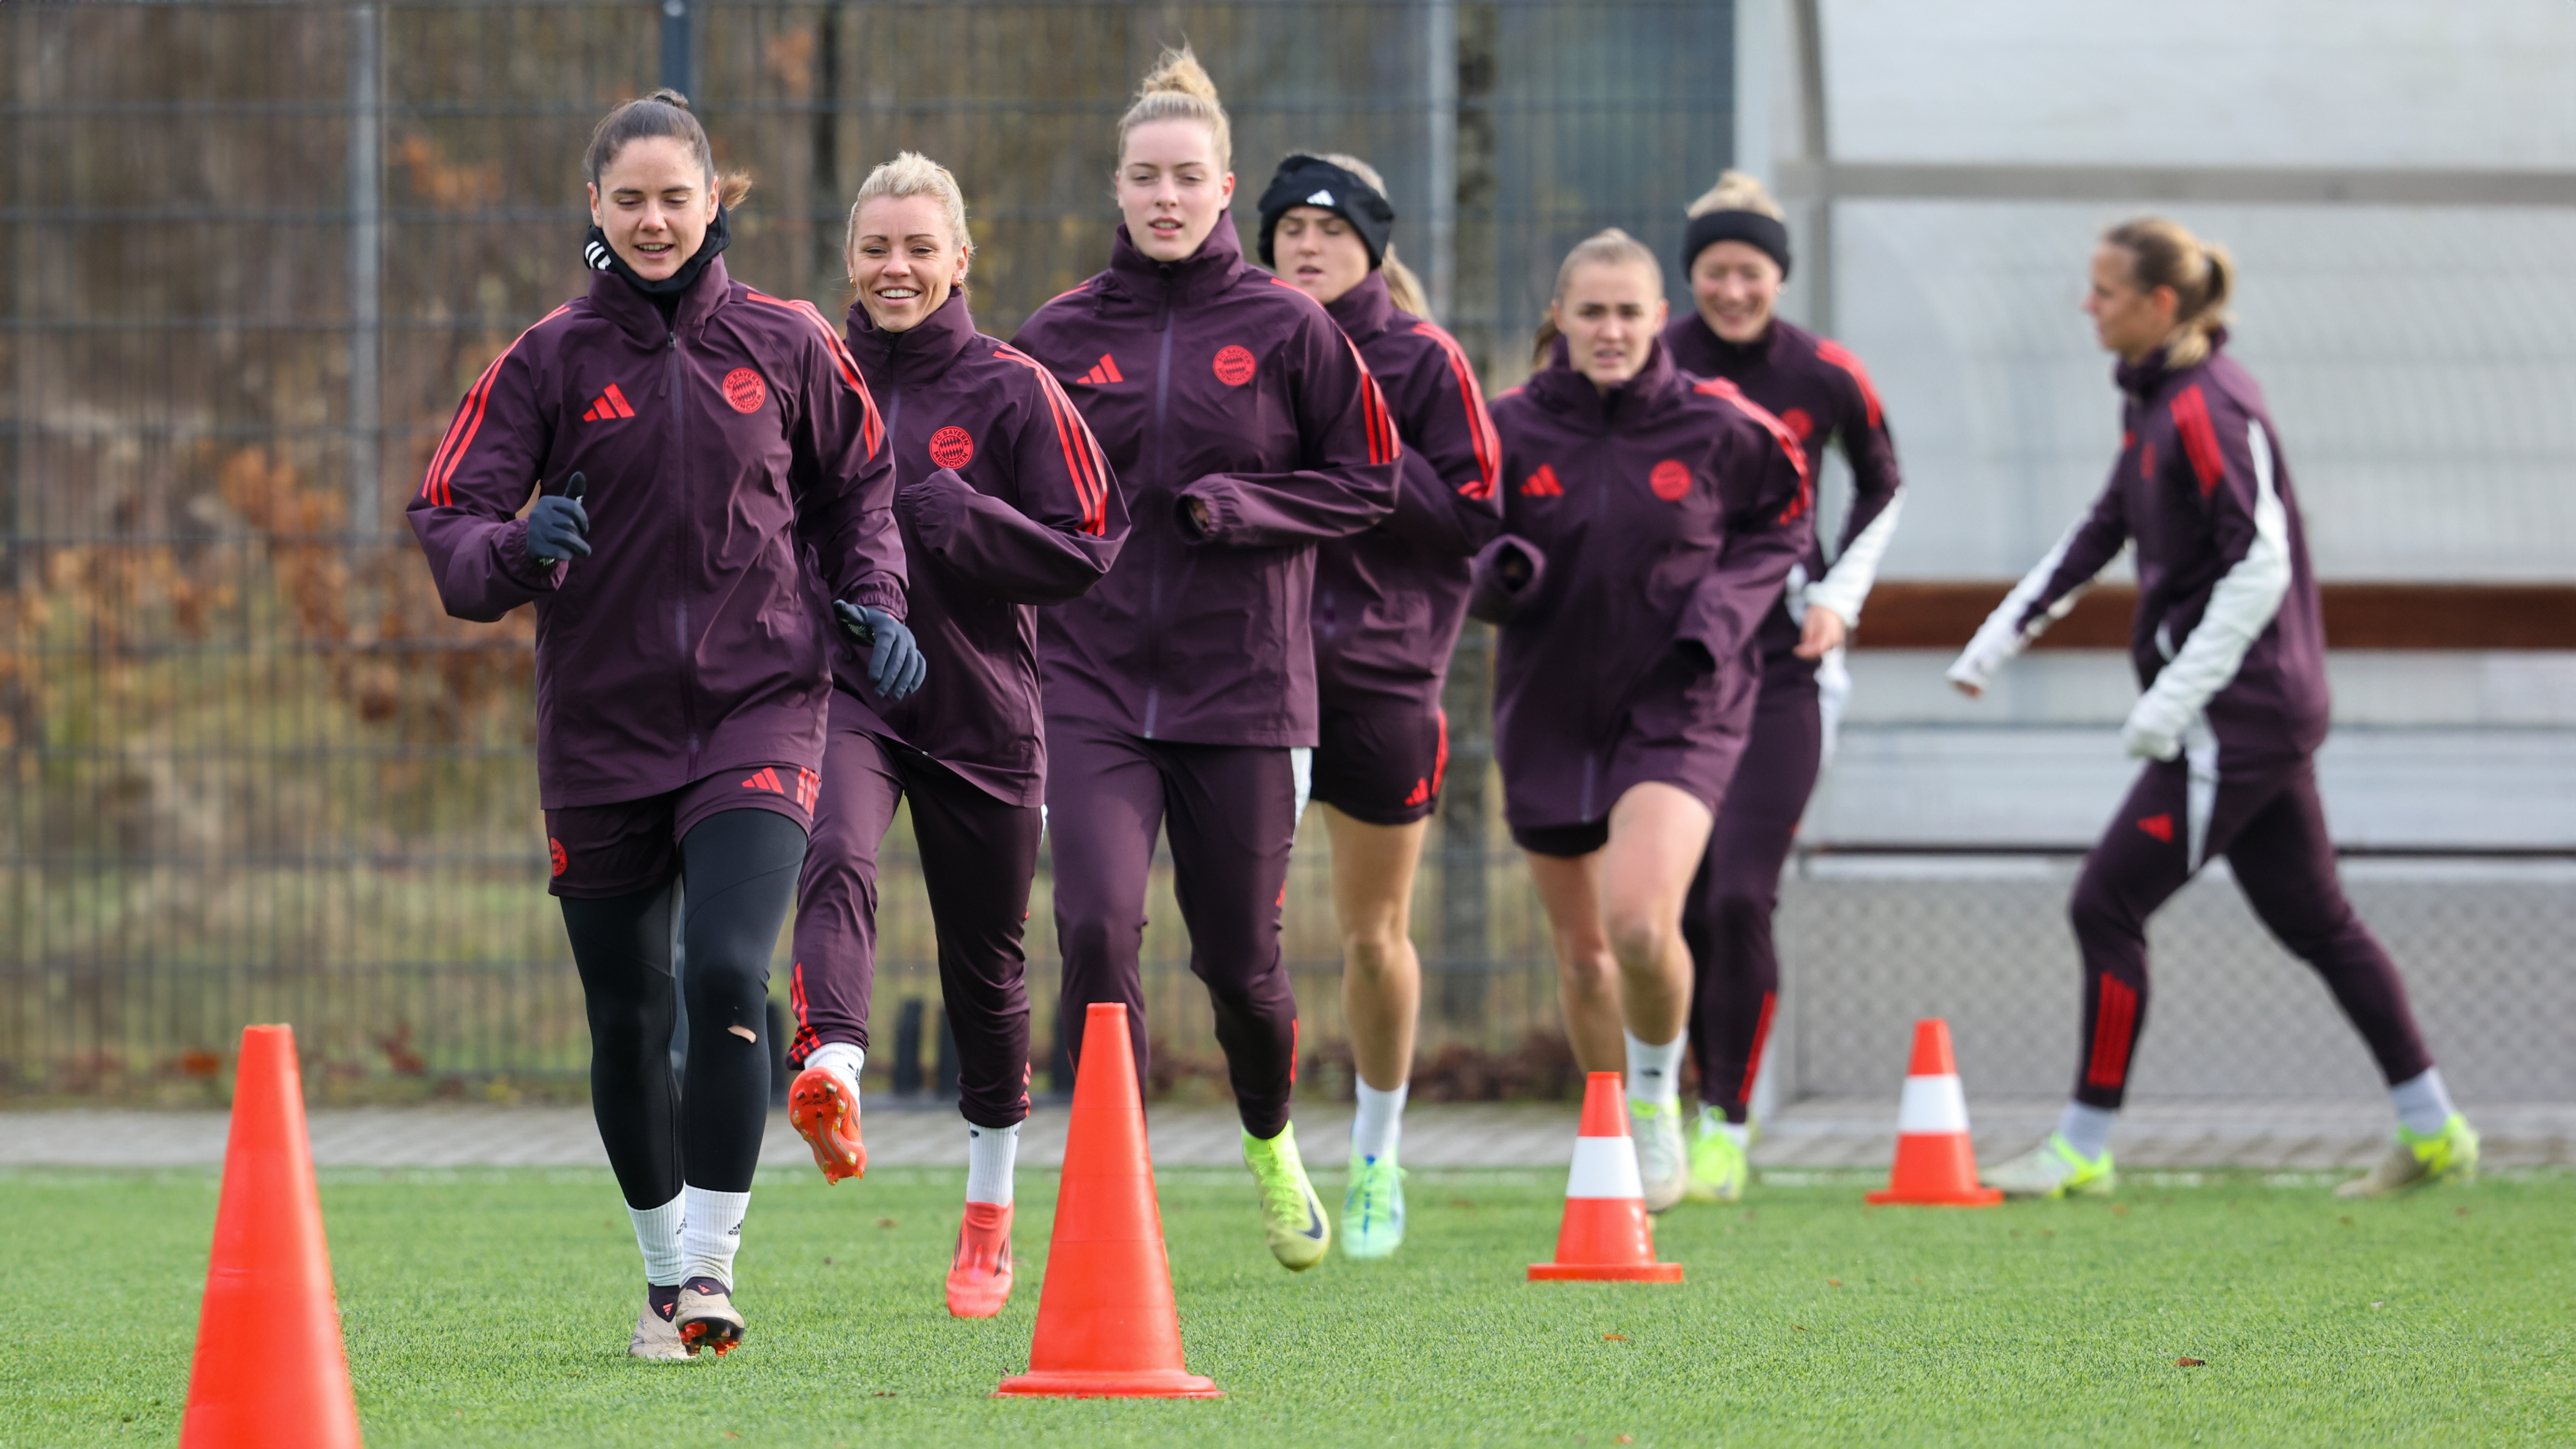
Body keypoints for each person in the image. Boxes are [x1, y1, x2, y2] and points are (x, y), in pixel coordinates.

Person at [407, 90, 915, 1359]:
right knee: (627, 1014)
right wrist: (519, 545)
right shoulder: (546, 361)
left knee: (730, 971)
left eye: (674, 199)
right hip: (601, 729)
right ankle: (656, 1270)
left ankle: (710, 1272)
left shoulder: (790, 341)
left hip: (761, 704)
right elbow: (450, 523)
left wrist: (876, 600)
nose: (651, 220)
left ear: (714, 202)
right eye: (627, 200)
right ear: (594, 207)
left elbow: (861, 485)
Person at [1951, 217, 2478, 1200]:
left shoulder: (2207, 405)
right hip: (2253, 712)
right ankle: (2436, 1130)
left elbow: (2261, 562)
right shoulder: (2153, 401)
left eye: (2103, 290)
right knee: (2318, 920)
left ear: (2159, 304)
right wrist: (1997, 636)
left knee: (2104, 901)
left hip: (2236, 716)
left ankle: (2080, 1145)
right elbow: (2104, 524)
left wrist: (2172, 703)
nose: (2086, 304)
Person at [1014, 46, 1400, 1271]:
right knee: (1094, 924)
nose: (1165, 197)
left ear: (1224, 186)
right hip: (1089, 685)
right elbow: (1006, 489)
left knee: (1239, 958)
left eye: (1187, 177)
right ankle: (1105, 1184)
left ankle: (1271, 1134)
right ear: (1117, 188)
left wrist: (1253, 510)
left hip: (1244, 689)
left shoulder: (1288, 328)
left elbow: (1372, 482)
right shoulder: (1060, 332)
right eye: (1144, 177)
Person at [779, 153, 1127, 1318]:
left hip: (984, 714)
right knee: (833, 844)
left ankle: (988, 1215)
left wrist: (965, 518)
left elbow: (1090, 546)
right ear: (848, 255)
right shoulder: (803, 374)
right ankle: (831, 1061)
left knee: (990, 971)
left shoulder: (1018, 389)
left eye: (920, 247)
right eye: (877, 246)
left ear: (960, 259)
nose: (896, 267)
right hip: (852, 694)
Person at [1469, 229, 1812, 1213]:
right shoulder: (1506, 427)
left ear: (1662, 320)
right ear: (1560, 321)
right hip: (1548, 709)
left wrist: (1717, 619)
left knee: (1637, 920)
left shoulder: (1721, 423)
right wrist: (1496, 573)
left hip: (1681, 701)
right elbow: (1457, 532)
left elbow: (1784, 520)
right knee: (1581, 955)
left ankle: (1662, 1101)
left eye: (1629, 312)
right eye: (1592, 312)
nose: (1610, 329)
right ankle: (1610, 1120)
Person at [1255, 152, 1503, 1257]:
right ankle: (1274, 1154)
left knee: (1371, 932)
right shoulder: (1236, 342)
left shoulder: (1421, 358)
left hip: (1380, 678)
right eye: (1289, 228)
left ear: (1372, 244)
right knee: (1235, 932)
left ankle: (1376, 1152)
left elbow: (1469, 523)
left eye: (1331, 229)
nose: (1306, 246)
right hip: (1248, 676)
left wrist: (1361, 435)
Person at [1658, 171, 1906, 1204]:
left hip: (1782, 672)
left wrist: (1837, 594)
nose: (1730, 289)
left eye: (1748, 271)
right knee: (1668, 907)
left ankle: (1728, 1120)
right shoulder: (1656, 356)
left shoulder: (1822, 372)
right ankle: (1656, 1106)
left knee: (1739, 894)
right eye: (1714, 270)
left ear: (1777, 277)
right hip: (1669, 667)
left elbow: (1883, 479)